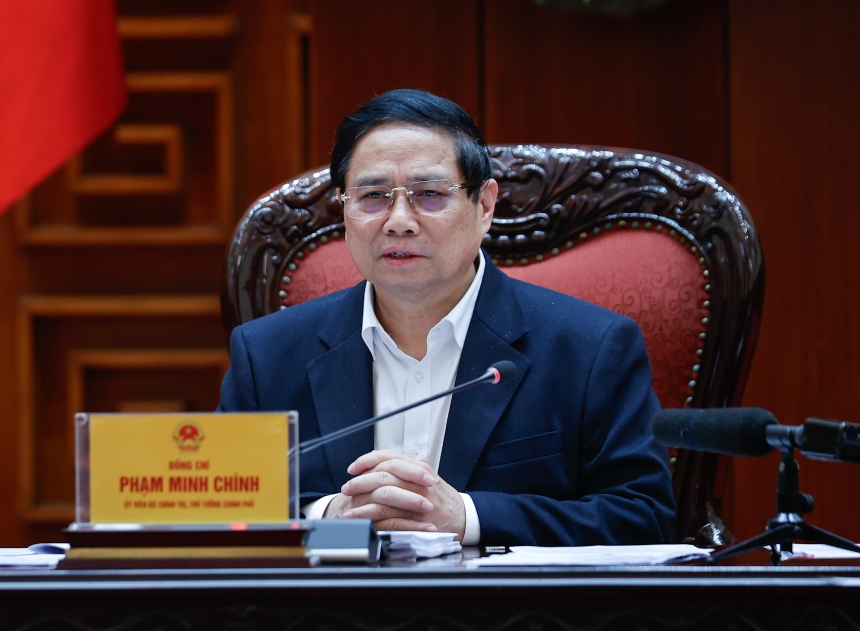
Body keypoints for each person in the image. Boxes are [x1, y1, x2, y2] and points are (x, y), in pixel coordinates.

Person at [218, 89, 675, 546]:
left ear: (485, 206)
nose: (399, 221)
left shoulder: (590, 349)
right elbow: (220, 513)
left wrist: (467, 517)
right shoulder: (267, 355)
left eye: (430, 194)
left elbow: (642, 516)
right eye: (373, 196)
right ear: (344, 206)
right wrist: (330, 517)